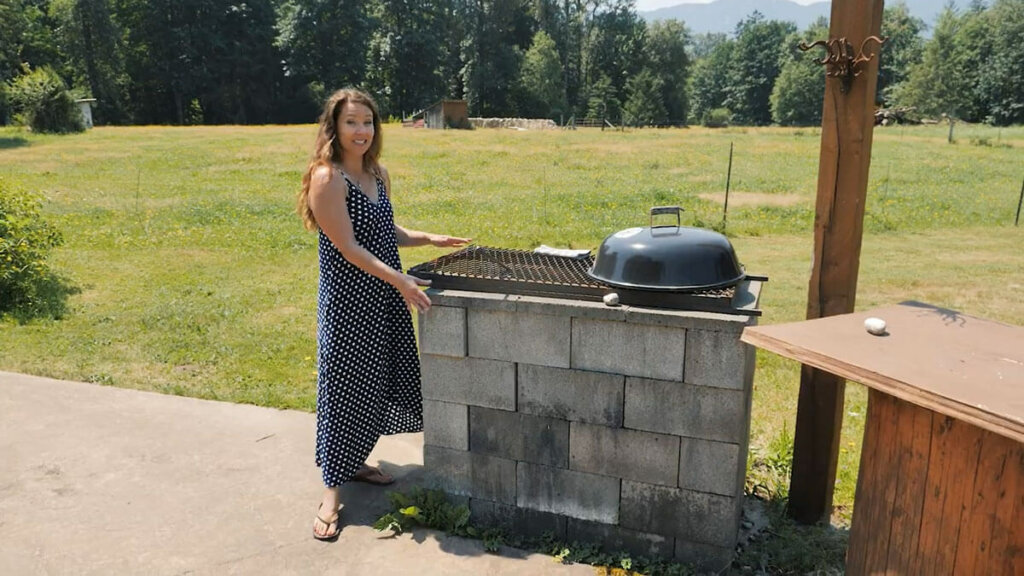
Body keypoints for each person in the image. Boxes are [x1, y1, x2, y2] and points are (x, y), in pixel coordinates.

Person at [296, 88, 470, 541]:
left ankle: (354, 462)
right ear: (333, 127)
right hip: (350, 302)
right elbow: (347, 246)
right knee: (344, 386)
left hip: (385, 296)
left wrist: (427, 238)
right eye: (352, 122)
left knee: (376, 380)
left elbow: (381, 230)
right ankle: (331, 492)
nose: (361, 131)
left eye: (368, 122)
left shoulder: (377, 173)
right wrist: (400, 279)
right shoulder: (326, 178)